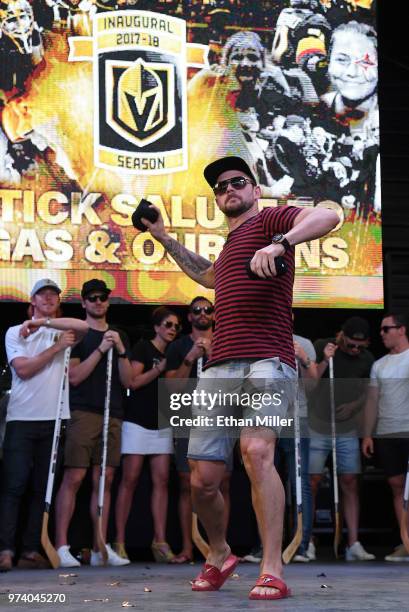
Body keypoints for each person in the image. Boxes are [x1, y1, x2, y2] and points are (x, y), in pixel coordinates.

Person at [140, 155, 338, 600]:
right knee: (202, 478)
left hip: (268, 360)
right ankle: (220, 553)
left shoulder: (271, 221)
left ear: (254, 189)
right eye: (220, 186)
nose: (228, 189)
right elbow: (206, 274)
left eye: (237, 182)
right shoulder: (230, 246)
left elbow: (329, 214)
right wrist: (163, 236)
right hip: (219, 367)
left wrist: (280, 244)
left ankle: (271, 567)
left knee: (256, 451)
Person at [0, 278, 88, 572]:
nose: (48, 298)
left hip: (54, 419)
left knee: (42, 488)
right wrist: (55, 347)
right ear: (32, 303)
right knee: (14, 486)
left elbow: (85, 327)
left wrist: (48, 326)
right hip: (22, 419)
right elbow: (24, 370)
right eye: (42, 294)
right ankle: (5, 549)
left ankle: (30, 549)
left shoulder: (62, 329)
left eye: (53, 295)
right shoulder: (15, 332)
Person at [54, 279, 132, 568]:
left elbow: (128, 381)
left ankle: (101, 546)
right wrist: (101, 349)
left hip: (114, 412)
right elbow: (73, 377)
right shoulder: (78, 334)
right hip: (83, 412)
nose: (98, 302)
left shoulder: (119, 334)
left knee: (106, 481)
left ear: (108, 302)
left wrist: (121, 349)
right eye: (93, 298)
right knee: (74, 477)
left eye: (103, 298)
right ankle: (62, 546)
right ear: (84, 303)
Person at [165, 296, 232, 564]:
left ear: (215, 314)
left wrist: (213, 353)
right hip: (186, 417)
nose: (203, 313)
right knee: (186, 483)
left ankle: (219, 547)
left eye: (208, 309)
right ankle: (187, 547)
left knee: (223, 482)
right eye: (197, 310)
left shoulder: (227, 342)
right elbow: (170, 388)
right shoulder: (178, 346)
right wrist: (190, 358)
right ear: (189, 317)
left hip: (221, 415)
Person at [114, 307, 180, 563]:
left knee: (162, 481)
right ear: (156, 327)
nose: (172, 329)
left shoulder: (174, 353)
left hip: (162, 422)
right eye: (167, 324)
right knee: (129, 480)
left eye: (175, 326)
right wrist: (158, 370)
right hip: (137, 421)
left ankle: (160, 541)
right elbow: (131, 381)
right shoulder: (144, 348)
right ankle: (119, 541)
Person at [309, 316, 375, 561]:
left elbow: (369, 393)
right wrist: (326, 360)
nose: (356, 350)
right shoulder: (321, 346)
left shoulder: (366, 359)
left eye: (361, 346)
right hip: (317, 426)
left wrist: (354, 407)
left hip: (346, 430)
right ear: (340, 336)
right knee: (312, 482)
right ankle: (308, 540)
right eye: (351, 345)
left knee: (350, 482)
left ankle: (353, 543)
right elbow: (310, 383)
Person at [362, 312, 409, 562]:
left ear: (401, 330)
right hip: (387, 432)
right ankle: (406, 542)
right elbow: (372, 401)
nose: (381, 333)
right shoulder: (379, 365)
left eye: (386, 329)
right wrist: (368, 434)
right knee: (396, 487)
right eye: (381, 329)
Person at [279, 331, 318, 563]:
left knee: (299, 483)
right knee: (263, 481)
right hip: (267, 418)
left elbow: (313, 387)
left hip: (297, 419)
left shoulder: (304, 343)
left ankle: (302, 545)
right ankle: (263, 547)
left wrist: (303, 358)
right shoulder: (261, 337)